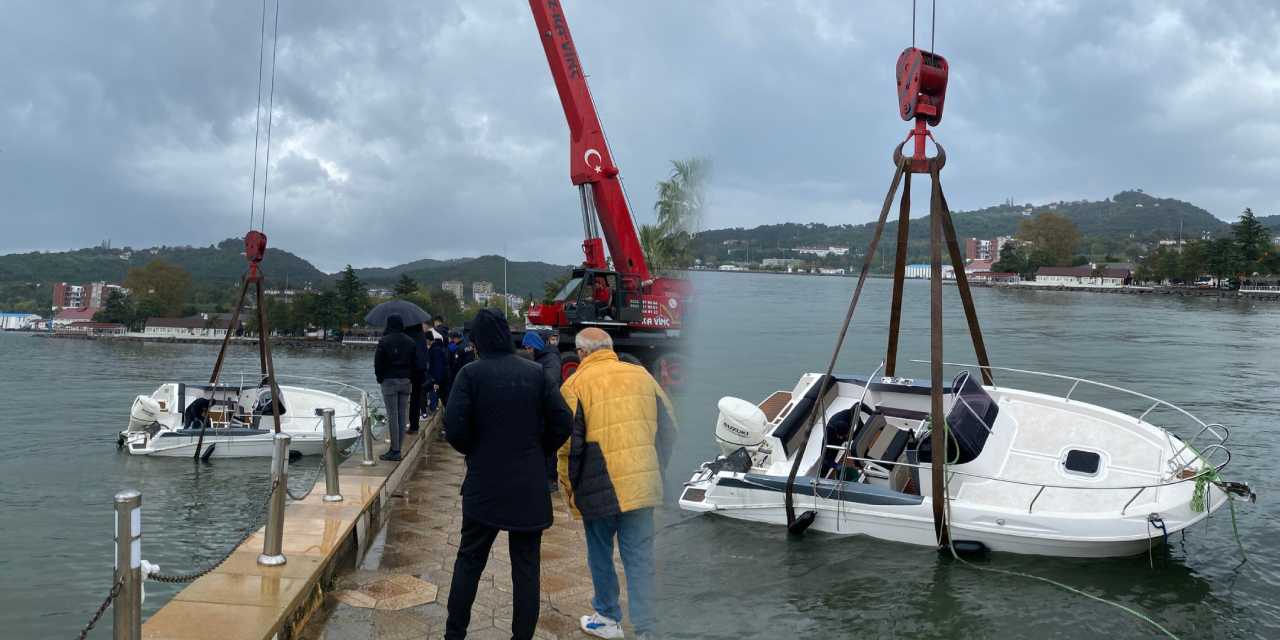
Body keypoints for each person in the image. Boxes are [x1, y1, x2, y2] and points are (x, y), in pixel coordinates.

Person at [444, 309, 573, 640]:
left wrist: (476, 451)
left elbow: (454, 429)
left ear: (478, 341)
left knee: (469, 561)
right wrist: (539, 450)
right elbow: (563, 421)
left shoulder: (470, 375)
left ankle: (454, 635)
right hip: (528, 485)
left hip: (484, 483)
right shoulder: (535, 373)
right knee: (526, 568)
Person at [558, 328, 676, 639]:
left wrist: (569, 489)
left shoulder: (574, 385)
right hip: (642, 485)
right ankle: (648, 628)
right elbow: (670, 427)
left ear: (582, 353)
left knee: (600, 553)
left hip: (598, 488)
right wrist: (655, 467)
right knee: (639, 556)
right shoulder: (643, 376)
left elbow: (568, 446)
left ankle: (608, 618)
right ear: (609, 347)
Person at [374, 314, 422, 461]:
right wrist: (410, 377)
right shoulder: (410, 341)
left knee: (392, 416)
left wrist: (380, 378)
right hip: (406, 382)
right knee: (402, 416)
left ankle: (394, 450)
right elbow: (416, 363)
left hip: (389, 381)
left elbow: (378, 363)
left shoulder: (384, 341)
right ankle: (398, 449)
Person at [522, 330, 563, 491]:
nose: (527, 351)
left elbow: (550, 381)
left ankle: (550, 480)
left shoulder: (550, 359)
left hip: (549, 408)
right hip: (541, 407)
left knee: (548, 446)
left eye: (529, 348)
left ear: (537, 346)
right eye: (526, 348)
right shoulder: (541, 358)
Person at [405, 322, 430, 433]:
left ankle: (402, 425)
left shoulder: (407, 336)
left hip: (409, 371)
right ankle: (414, 426)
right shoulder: (422, 336)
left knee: (403, 399)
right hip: (420, 371)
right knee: (416, 398)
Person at [427, 329, 449, 413]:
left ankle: (444, 415)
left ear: (428, 340)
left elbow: (438, 367)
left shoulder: (435, 350)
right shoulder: (440, 347)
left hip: (438, 378)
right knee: (444, 397)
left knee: (443, 398)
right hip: (443, 377)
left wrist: (436, 381)